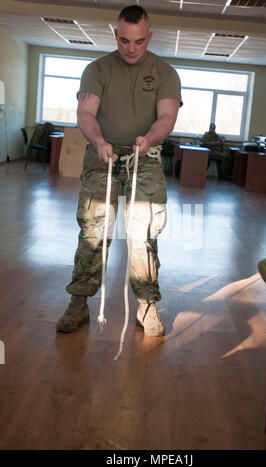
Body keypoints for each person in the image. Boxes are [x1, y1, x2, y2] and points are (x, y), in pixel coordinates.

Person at [56, 5, 182, 337]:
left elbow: (167, 118)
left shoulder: (165, 72)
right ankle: (79, 302)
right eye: (124, 40)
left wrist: (148, 139)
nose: (131, 48)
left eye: (139, 41)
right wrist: (97, 141)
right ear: (116, 35)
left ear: (149, 37)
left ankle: (146, 305)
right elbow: (85, 113)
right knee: (94, 231)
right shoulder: (97, 69)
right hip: (104, 152)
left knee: (144, 233)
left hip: (147, 153)